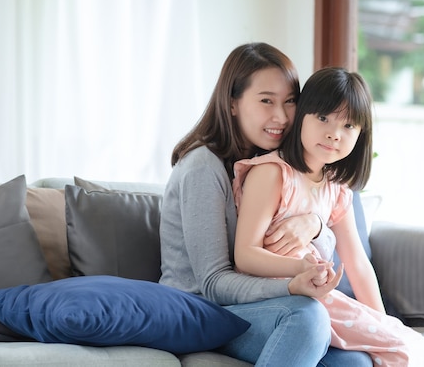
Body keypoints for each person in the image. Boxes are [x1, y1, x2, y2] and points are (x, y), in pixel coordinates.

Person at [158, 43, 373, 367]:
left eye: (289, 102)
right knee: (308, 318)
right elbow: (215, 284)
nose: (281, 116)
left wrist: (314, 224)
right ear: (232, 104)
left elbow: (322, 235)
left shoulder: (271, 164)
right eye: (266, 101)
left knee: (354, 362)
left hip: (249, 308)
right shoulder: (203, 168)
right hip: (201, 311)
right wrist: (291, 285)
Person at [232, 67, 424, 366]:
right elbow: (245, 255)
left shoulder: (336, 188)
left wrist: (382, 321)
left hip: (314, 293)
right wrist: (299, 267)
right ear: (302, 114)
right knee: (403, 349)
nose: (334, 133)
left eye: (348, 126)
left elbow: (356, 262)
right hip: (279, 300)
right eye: (323, 118)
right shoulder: (272, 173)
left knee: (406, 342)